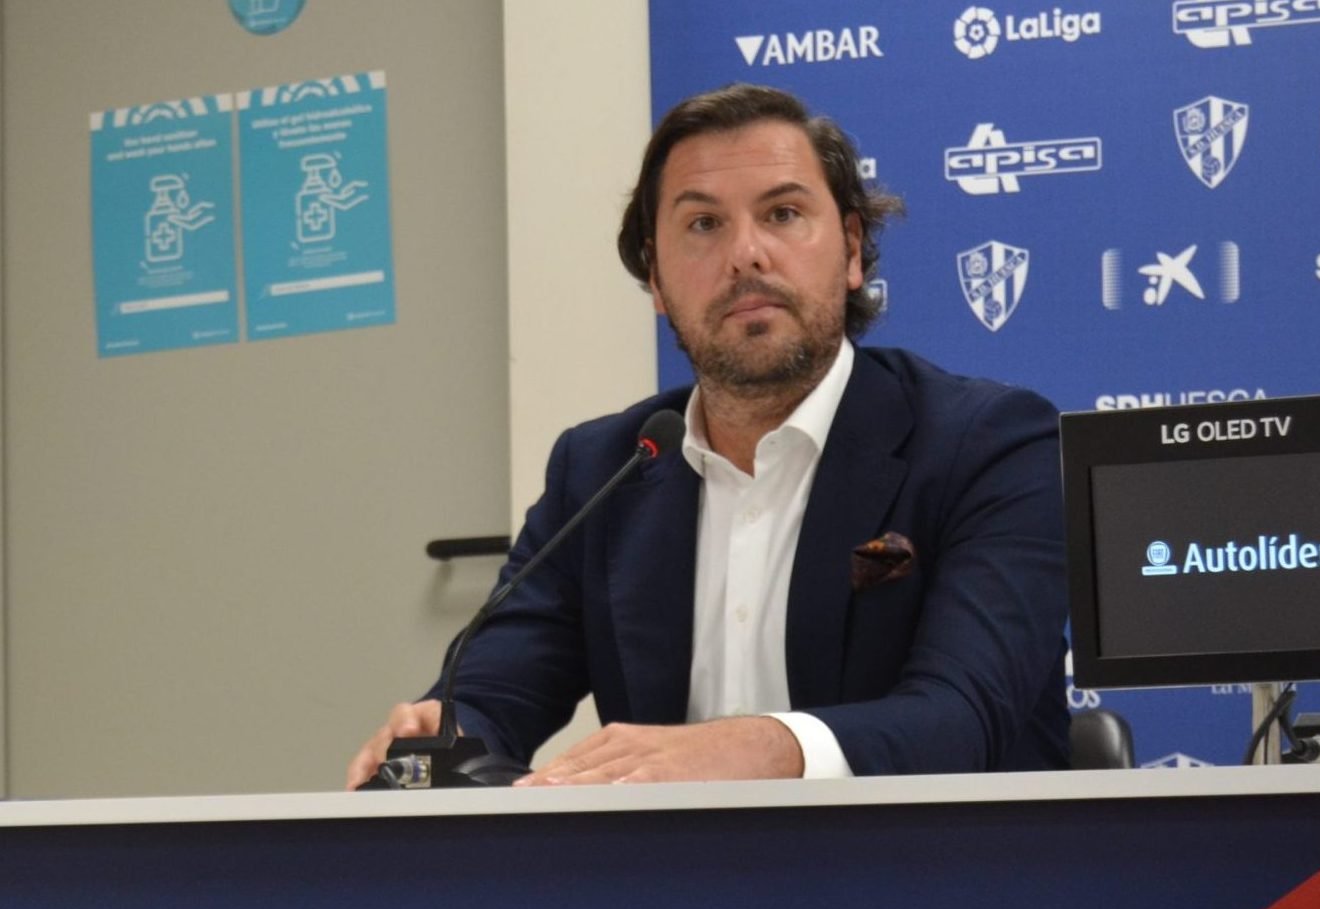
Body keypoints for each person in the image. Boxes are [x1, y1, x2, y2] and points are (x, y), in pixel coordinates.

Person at [346, 84, 1068, 789]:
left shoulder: (989, 445)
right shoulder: (602, 469)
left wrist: (760, 743)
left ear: (850, 249)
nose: (745, 254)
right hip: (673, 898)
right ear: (655, 279)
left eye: (783, 213)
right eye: (702, 225)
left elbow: (964, 718)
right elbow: (493, 693)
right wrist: (442, 736)